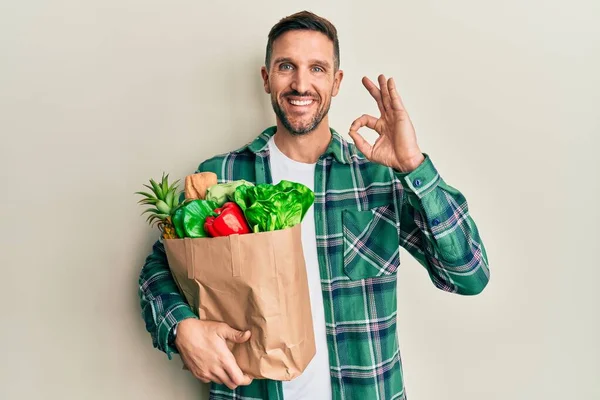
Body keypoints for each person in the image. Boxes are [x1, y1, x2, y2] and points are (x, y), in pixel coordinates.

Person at [138, 10, 490, 400]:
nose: (301, 83)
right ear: (266, 78)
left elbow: (469, 275)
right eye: (286, 66)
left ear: (336, 82)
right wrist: (181, 327)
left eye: (317, 68)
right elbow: (159, 267)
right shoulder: (219, 177)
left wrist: (413, 166)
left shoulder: (377, 177)